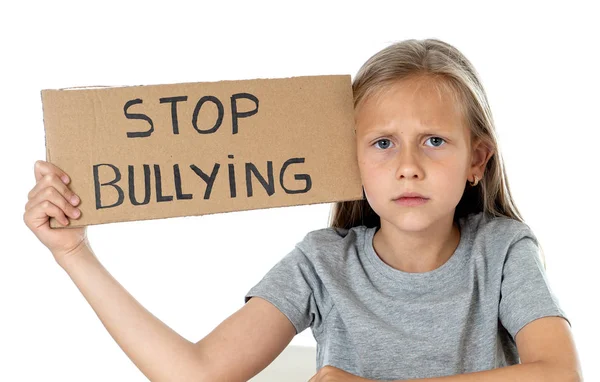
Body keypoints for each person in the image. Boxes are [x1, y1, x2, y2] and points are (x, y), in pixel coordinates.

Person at [23, 39, 582, 382]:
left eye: (433, 141)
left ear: (476, 160)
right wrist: (75, 253)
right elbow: (196, 373)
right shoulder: (321, 263)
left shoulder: (504, 250)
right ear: (349, 157)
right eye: (383, 143)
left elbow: (560, 374)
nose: (408, 166)